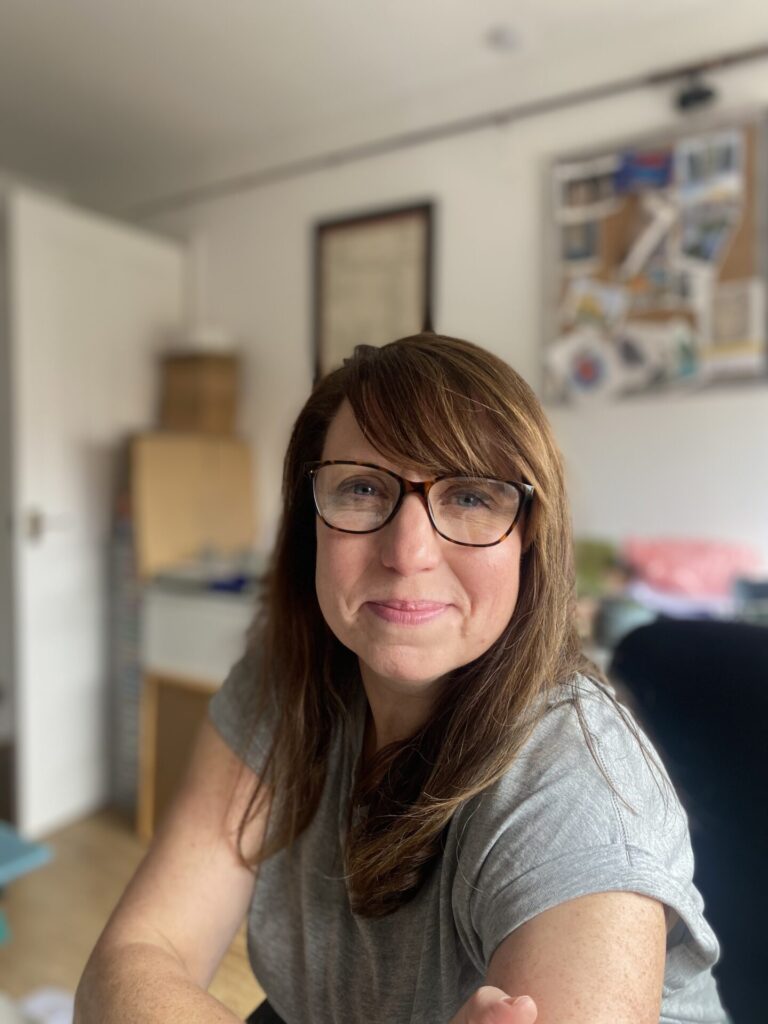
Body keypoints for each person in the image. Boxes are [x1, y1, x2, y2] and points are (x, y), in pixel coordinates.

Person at [75, 333, 726, 1024]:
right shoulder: (284, 678)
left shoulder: (580, 793)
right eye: (361, 488)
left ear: (530, 536)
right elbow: (134, 959)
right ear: (310, 519)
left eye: (470, 496)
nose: (408, 553)